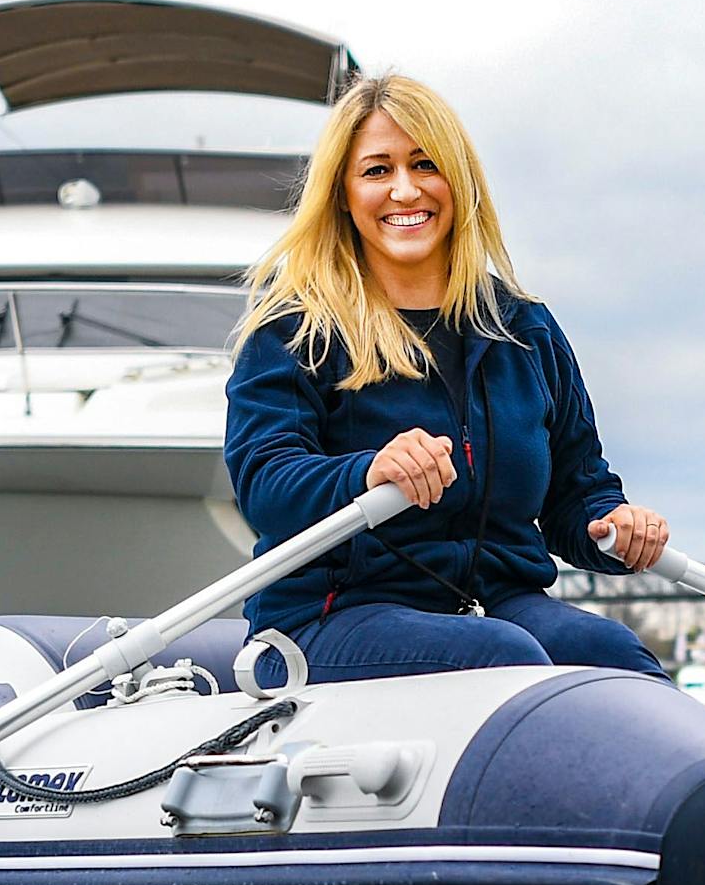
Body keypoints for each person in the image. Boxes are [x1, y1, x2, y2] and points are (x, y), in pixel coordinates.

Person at [224, 72, 669, 685]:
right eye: (377, 170)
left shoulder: (523, 329)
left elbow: (577, 492)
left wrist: (615, 527)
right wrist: (368, 471)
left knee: (614, 654)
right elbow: (264, 484)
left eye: (425, 164)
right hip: (327, 621)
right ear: (343, 194)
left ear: (458, 184)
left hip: (501, 606)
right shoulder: (296, 326)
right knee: (500, 658)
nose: (405, 190)